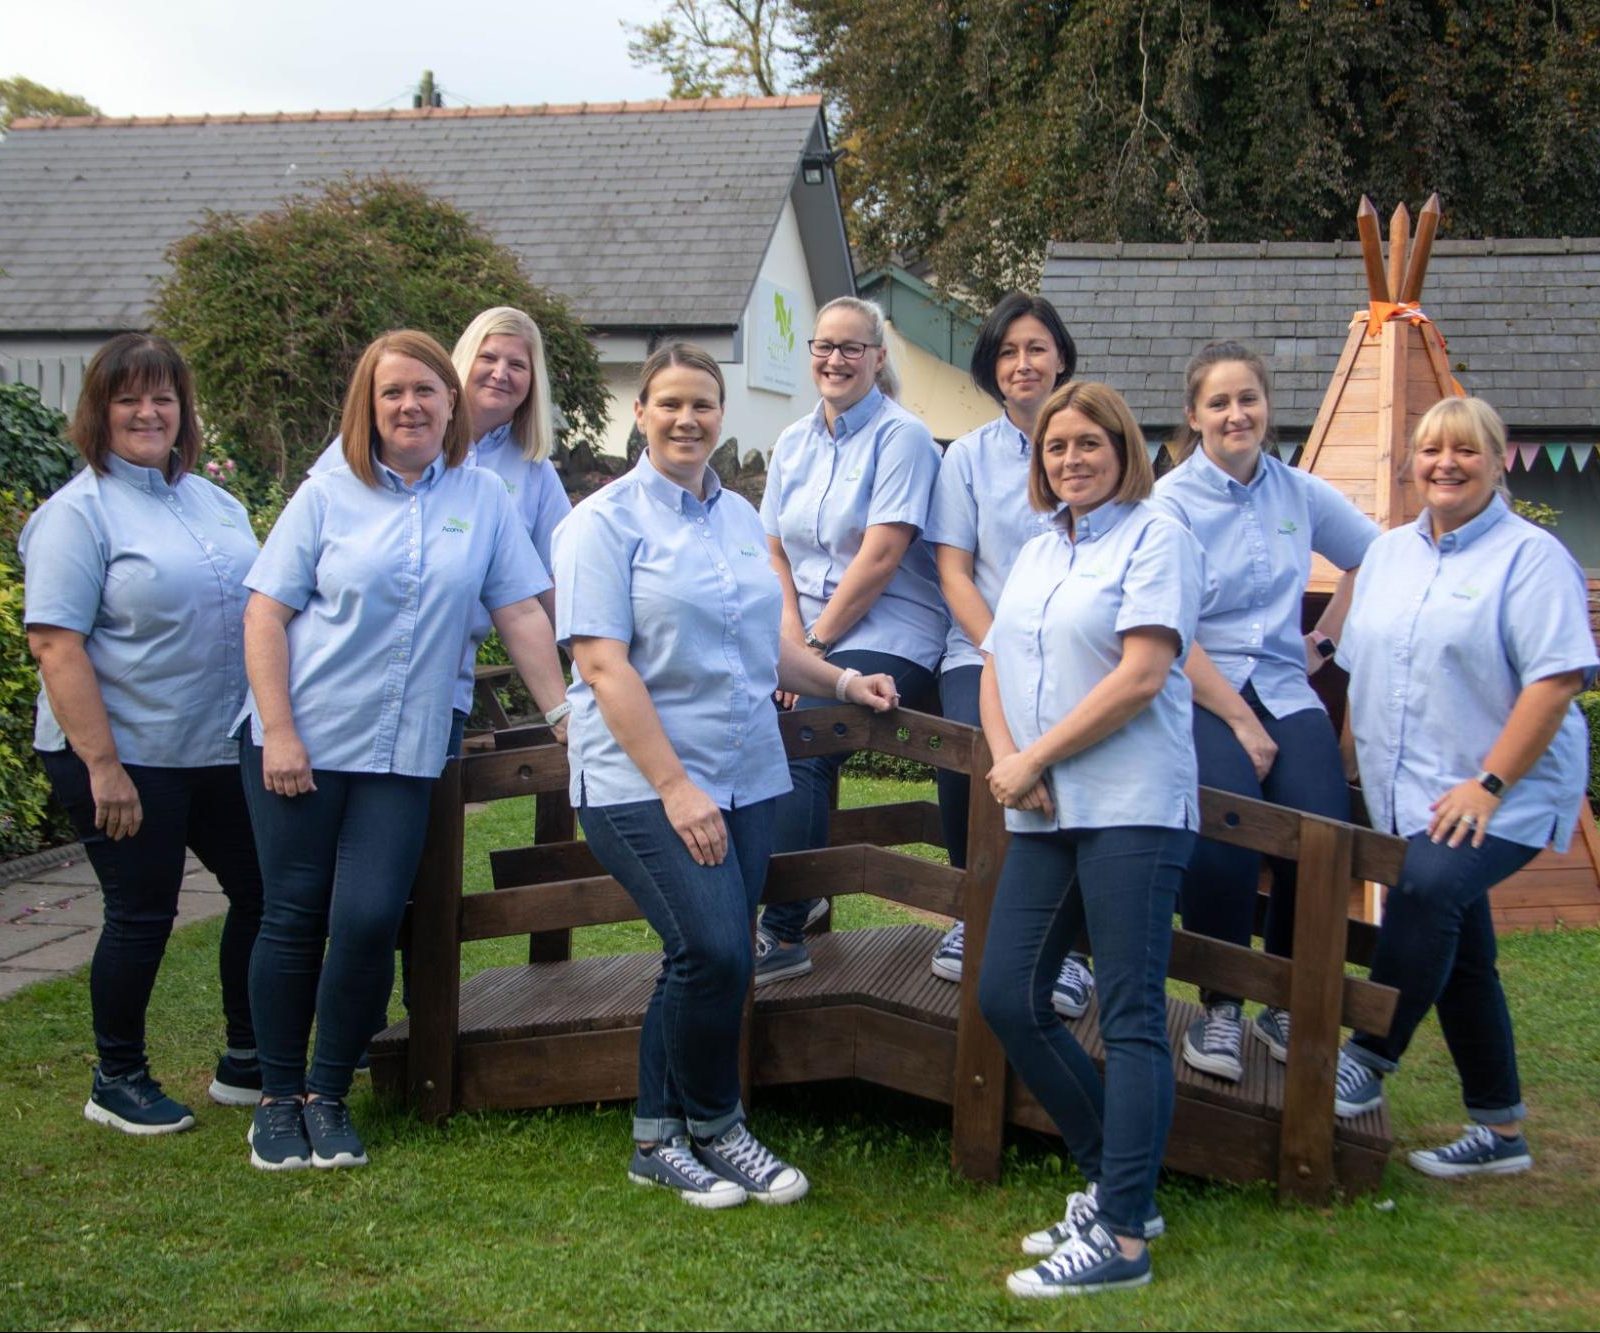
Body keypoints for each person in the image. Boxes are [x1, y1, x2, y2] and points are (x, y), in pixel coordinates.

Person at [554, 343, 899, 1206]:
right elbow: (603, 667)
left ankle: (655, 1136)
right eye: (668, 403)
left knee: (700, 959)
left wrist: (843, 680)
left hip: (749, 772)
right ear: (640, 413)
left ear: (721, 414)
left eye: (702, 405)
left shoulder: (741, 520)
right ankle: (718, 1124)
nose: (686, 419)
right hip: (645, 782)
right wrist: (676, 785)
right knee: (714, 950)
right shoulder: (600, 524)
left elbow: (767, 643)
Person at [238, 330, 570, 1172]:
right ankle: (277, 1101)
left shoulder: (485, 498)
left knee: (369, 918)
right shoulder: (326, 494)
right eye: (392, 393)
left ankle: (327, 1091)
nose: (410, 405)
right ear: (369, 406)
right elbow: (265, 614)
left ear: (451, 402)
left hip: (404, 749)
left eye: (425, 390)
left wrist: (565, 711)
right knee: (293, 916)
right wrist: (278, 729)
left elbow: (523, 612)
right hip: (302, 742)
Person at [978, 380, 1204, 1297]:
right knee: (1008, 995)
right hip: (1042, 807)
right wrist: (1010, 763)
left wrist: (1036, 755)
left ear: (1125, 450)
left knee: (1131, 1011)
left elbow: (1144, 674)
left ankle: (1120, 1240)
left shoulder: (1159, 536)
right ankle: (1122, 1181)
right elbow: (995, 661)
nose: (1071, 459)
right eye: (1056, 446)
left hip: (1132, 805)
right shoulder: (1038, 548)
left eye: (1090, 444)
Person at [1333, 396, 1593, 1177]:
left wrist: (1488, 783)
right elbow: (1361, 670)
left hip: (1504, 791)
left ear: (1497, 458)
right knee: (1462, 949)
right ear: (1410, 463)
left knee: (1426, 889)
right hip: (1408, 789)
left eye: (1467, 450)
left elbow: (1556, 681)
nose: (1446, 463)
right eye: (1432, 450)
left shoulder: (1531, 557)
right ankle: (1501, 1129)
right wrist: (1349, 767)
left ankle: (1369, 1055)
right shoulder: (1388, 555)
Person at [21, 333, 265, 1133]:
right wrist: (104, 766)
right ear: (100, 410)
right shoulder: (76, 514)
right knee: (143, 911)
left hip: (216, 746)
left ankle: (247, 1055)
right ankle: (116, 1076)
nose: (148, 412)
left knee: (264, 890)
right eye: (129, 398)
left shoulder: (213, 501)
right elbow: (56, 644)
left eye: (163, 397)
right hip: (124, 756)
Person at [1151, 341, 1378, 1082]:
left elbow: (1374, 558)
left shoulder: (1299, 492)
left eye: (1247, 398)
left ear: (1268, 408)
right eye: (1218, 402)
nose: (1235, 413)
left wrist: (1325, 642)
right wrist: (1241, 724)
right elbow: (1168, 629)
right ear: (1194, 415)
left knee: (1322, 830)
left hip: (1283, 686)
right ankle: (1221, 1006)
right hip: (1199, 691)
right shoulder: (1171, 503)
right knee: (1226, 825)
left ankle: (1284, 994)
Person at [756, 296, 948, 981]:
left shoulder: (904, 438)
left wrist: (806, 652)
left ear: (877, 357)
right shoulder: (793, 442)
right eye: (823, 346)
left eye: (851, 348)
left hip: (892, 626)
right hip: (803, 629)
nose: (835, 359)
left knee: (806, 736)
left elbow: (883, 555)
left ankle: (783, 928)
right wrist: (789, 641)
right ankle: (738, 902)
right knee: (731, 723)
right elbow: (773, 551)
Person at [925, 291, 1094, 1012]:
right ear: (991, 369)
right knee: (971, 757)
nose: (1022, 364)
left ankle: (1075, 948)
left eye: (1035, 348)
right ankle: (974, 910)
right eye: (1007, 352)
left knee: (1082, 770)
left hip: (1082, 655)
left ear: (1060, 356)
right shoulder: (966, 458)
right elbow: (954, 569)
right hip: (980, 646)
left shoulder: (1093, 442)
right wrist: (1002, 647)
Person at [310, 305, 569, 753]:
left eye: (517, 365)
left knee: (416, 820)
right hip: (342, 677)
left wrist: (597, 674)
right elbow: (306, 554)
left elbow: (555, 586)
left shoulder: (532, 470)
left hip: (441, 681)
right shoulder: (386, 438)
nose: (500, 373)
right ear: (463, 361)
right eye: (488, 357)